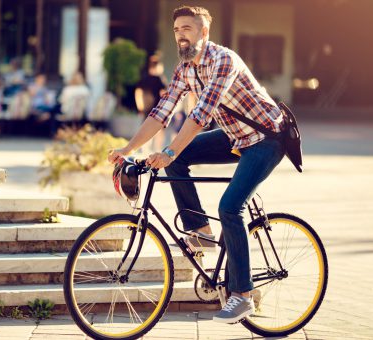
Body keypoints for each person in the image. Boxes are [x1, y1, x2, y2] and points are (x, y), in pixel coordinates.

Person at [108, 6, 285, 324]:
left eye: (187, 28)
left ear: (204, 32)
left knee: (230, 207)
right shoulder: (184, 69)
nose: (181, 35)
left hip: (267, 138)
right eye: (177, 30)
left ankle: (242, 296)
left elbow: (200, 116)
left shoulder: (224, 60)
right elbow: (160, 112)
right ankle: (201, 232)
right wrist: (128, 148)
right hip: (235, 137)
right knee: (178, 157)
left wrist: (169, 152)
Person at [135, 55, 168, 151]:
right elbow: (164, 94)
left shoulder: (144, 78)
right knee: (159, 129)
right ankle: (157, 149)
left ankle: (144, 149)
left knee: (145, 128)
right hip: (158, 108)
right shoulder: (160, 78)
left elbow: (138, 92)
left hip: (146, 108)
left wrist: (140, 106)